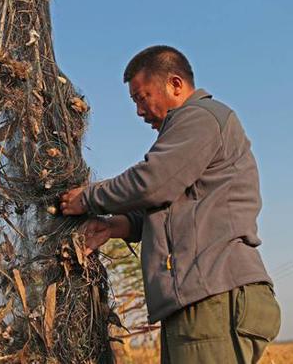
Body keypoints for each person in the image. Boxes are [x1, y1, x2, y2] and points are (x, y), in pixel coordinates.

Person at [60, 45, 280, 363]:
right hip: (203, 301)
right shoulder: (189, 133)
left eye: (141, 96)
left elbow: (153, 182)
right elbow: (168, 208)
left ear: (175, 84)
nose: (138, 110)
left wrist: (88, 197)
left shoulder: (200, 117)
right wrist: (113, 226)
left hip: (213, 297)